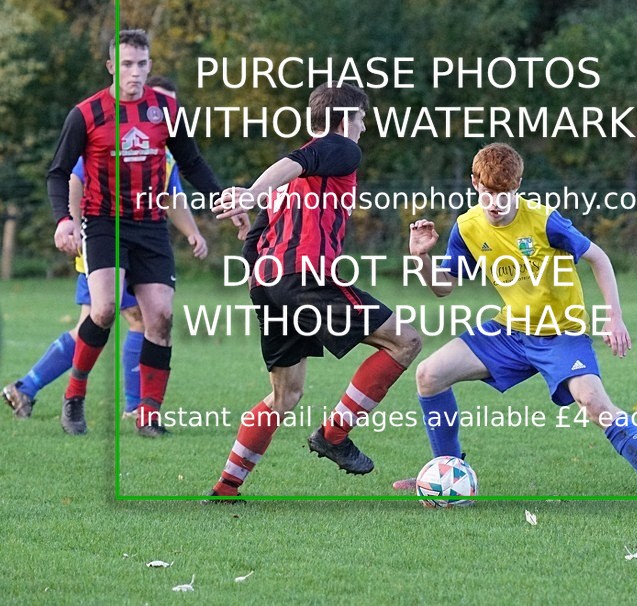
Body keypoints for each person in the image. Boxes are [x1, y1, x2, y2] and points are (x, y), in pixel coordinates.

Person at [392, 143, 637, 496]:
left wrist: (614, 317)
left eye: (504, 194)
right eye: (486, 194)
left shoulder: (545, 221)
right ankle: (446, 475)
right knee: (429, 375)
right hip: (509, 331)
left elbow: (599, 258)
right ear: (474, 184)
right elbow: (443, 289)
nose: (494, 204)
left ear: (518, 187)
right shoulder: (467, 227)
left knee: (593, 402)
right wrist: (421, 258)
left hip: (561, 332)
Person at [207, 82, 421, 499]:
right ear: (344, 120)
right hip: (303, 280)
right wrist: (250, 194)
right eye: (360, 118)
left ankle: (227, 487)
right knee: (406, 341)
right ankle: (334, 435)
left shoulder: (285, 181)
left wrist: (253, 209)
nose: (363, 127)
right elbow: (301, 159)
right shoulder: (340, 147)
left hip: (266, 285)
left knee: (284, 396)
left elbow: (252, 245)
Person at [46, 30, 247, 437]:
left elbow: (192, 164)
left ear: (150, 65)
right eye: (126, 64)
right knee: (102, 311)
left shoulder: (167, 110)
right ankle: (74, 397)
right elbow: (58, 171)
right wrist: (63, 221)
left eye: (141, 64)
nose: (134, 72)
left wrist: (225, 201)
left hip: (150, 224)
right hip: (103, 222)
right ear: (111, 67)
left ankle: (149, 416)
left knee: (161, 316)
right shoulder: (86, 114)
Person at [3, 79, 208, 419]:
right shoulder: (113, 135)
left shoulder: (164, 154)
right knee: (136, 318)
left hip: (138, 241)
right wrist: (74, 225)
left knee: (96, 321)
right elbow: (73, 178)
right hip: (102, 240)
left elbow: (171, 198)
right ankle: (131, 406)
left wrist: (193, 233)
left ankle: (25, 387)